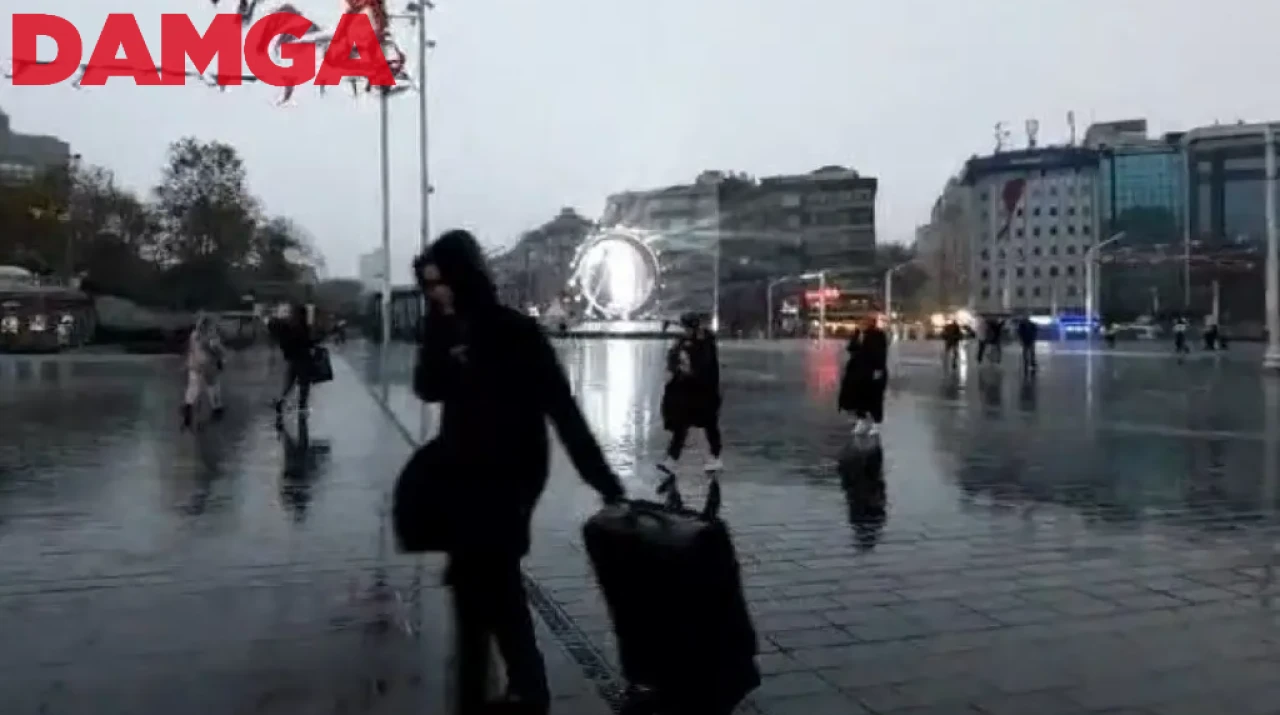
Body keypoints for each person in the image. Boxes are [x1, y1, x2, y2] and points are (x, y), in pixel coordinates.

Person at [411, 229, 625, 715]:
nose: (436, 293)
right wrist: (443, 344)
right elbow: (427, 388)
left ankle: (508, 690)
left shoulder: (516, 331)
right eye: (428, 286)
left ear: (464, 277)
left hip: (512, 473)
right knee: (488, 581)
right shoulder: (443, 329)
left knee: (486, 577)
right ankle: (520, 688)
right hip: (462, 470)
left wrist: (602, 480)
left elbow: (562, 409)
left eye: (441, 282)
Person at [658, 312, 725, 491]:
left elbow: (705, 367)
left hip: (705, 392)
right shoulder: (684, 342)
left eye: (687, 328)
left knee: (709, 424)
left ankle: (714, 457)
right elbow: (674, 360)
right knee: (682, 425)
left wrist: (689, 365)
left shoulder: (706, 343)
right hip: (688, 392)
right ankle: (672, 460)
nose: (685, 331)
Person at [838, 315, 889, 437]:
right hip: (857, 370)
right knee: (857, 396)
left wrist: (878, 369)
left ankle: (876, 423)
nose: (862, 324)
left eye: (865, 322)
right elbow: (851, 348)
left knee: (874, 398)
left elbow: (881, 353)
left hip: (872, 370)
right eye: (861, 322)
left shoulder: (878, 334)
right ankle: (861, 420)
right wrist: (857, 338)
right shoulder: (858, 334)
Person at [182, 313, 226, 429]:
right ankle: (217, 408)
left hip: (195, 365)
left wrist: (189, 362)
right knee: (213, 387)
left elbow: (192, 349)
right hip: (208, 365)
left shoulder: (194, 335)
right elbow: (218, 350)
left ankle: (188, 407)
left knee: (193, 388)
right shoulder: (211, 336)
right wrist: (222, 357)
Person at [274, 304, 318, 415]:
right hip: (302, 359)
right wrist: (314, 342)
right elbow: (306, 342)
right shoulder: (302, 326)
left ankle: (281, 401)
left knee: (289, 383)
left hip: (292, 358)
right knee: (304, 383)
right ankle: (302, 405)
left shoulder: (290, 325)